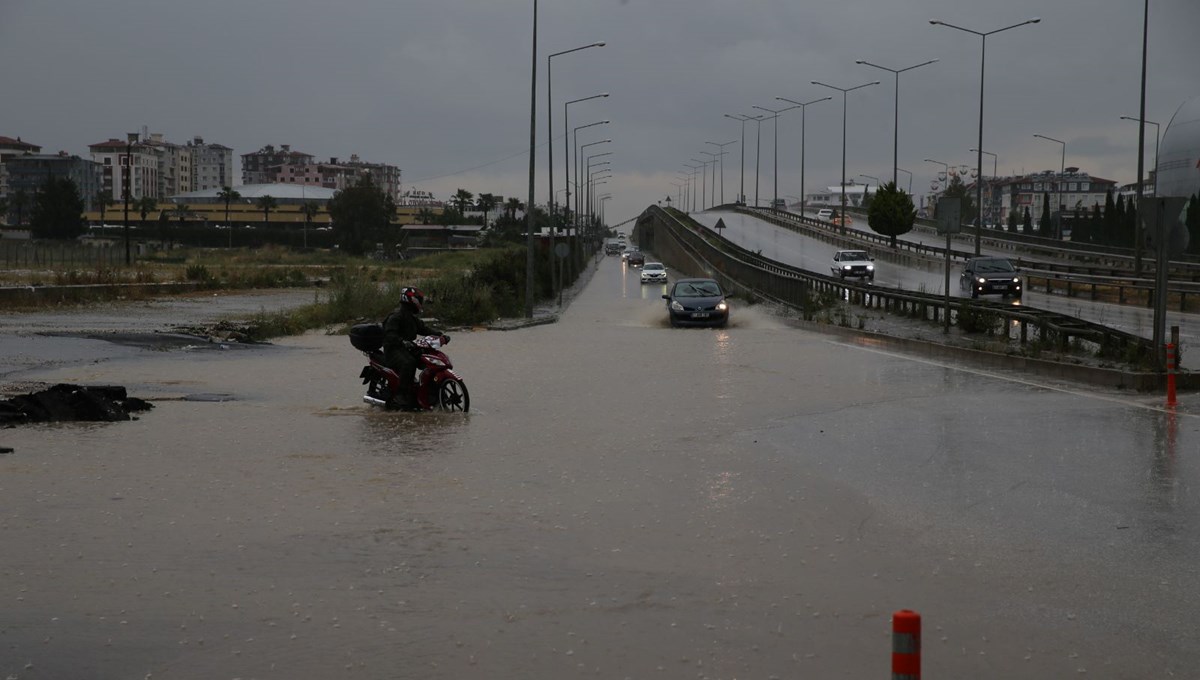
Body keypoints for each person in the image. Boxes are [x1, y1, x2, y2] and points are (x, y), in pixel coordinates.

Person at [382, 287, 447, 410]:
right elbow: (390, 335)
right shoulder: (395, 317)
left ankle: (426, 392)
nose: (420, 303)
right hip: (393, 351)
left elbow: (424, 330)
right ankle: (400, 395)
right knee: (409, 363)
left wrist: (440, 335)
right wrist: (402, 341)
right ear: (412, 300)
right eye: (419, 300)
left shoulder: (412, 318)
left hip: (406, 349)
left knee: (426, 359)